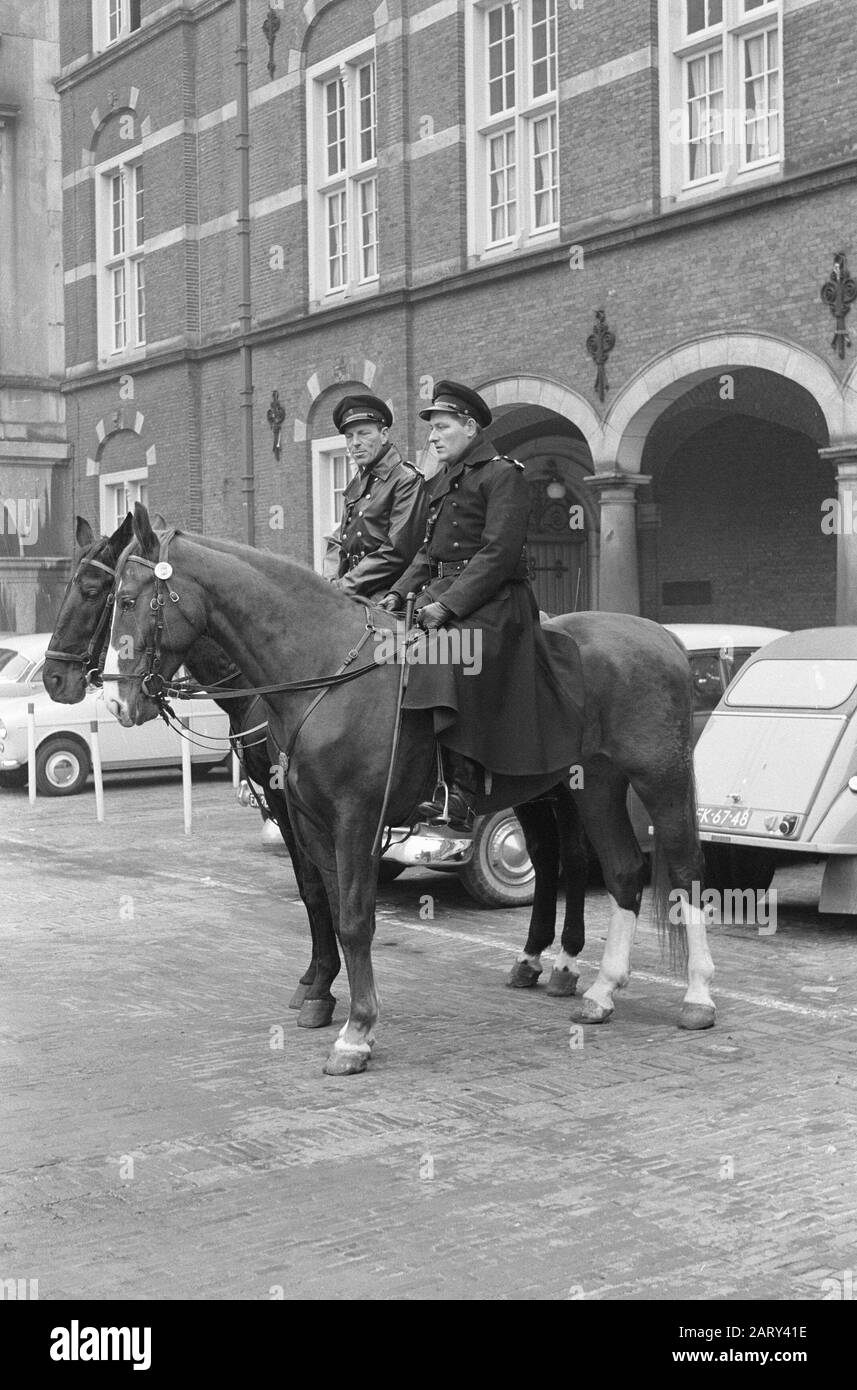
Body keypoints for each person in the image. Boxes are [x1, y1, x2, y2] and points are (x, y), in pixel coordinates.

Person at [378, 379, 583, 829]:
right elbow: (428, 555)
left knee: (446, 654)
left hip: (496, 602)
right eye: (431, 428)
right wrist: (393, 595)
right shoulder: (443, 482)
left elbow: (498, 554)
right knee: (379, 649)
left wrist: (448, 607)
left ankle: (461, 792)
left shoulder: (502, 474)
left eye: (442, 426)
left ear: (470, 427)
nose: (432, 436)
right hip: (443, 596)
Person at [323, 394, 426, 599]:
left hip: (389, 593)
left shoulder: (406, 479)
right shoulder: (359, 481)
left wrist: (344, 587)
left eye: (363, 434)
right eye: (349, 436)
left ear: (384, 434)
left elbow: (397, 550)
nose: (355, 443)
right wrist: (330, 582)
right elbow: (337, 540)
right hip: (351, 589)